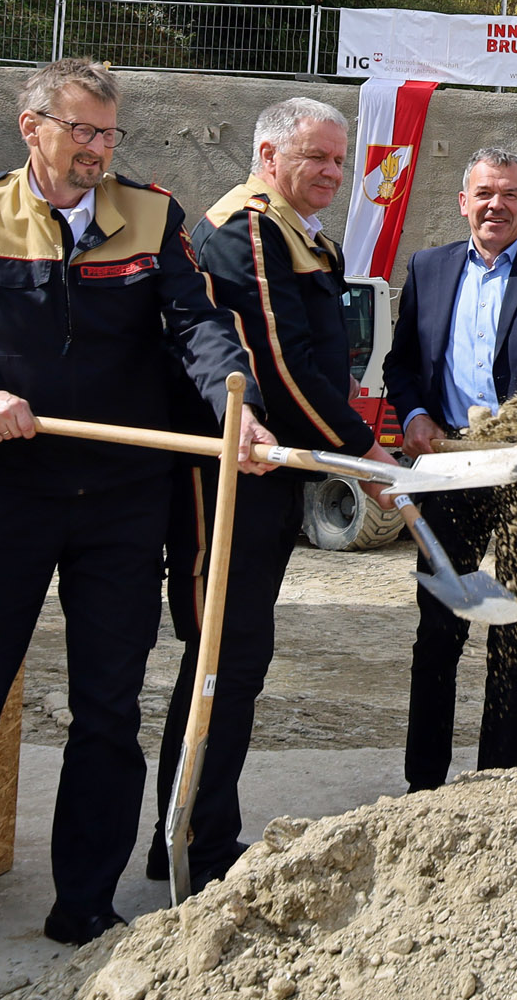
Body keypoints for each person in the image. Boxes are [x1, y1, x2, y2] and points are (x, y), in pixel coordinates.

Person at [0, 58, 267, 991]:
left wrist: (234, 410)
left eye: (109, 135)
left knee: (108, 712)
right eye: (82, 133)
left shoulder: (153, 216)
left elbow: (197, 329)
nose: (98, 151)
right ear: (30, 126)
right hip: (10, 498)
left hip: (123, 504)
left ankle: (83, 900)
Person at [144, 96, 398, 889]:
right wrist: (362, 451)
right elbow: (282, 364)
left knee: (239, 655)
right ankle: (194, 842)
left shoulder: (297, 231)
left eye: (338, 159)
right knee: (223, 652)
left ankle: (188, 833)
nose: (332, 172)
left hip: (272, 472)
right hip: (230, 477)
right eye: (315, 157)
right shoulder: (248, 227)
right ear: (266, 154)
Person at [385, 148, 517, 782]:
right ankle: (423, 784)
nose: (495, 205)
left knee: (512, 633)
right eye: (483, 193)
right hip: (450, 466)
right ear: (462, 202)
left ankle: (496, 783)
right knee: (438, 630)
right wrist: (415, 412)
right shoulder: (427, 268)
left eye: (508, 195)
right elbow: (402, 364)